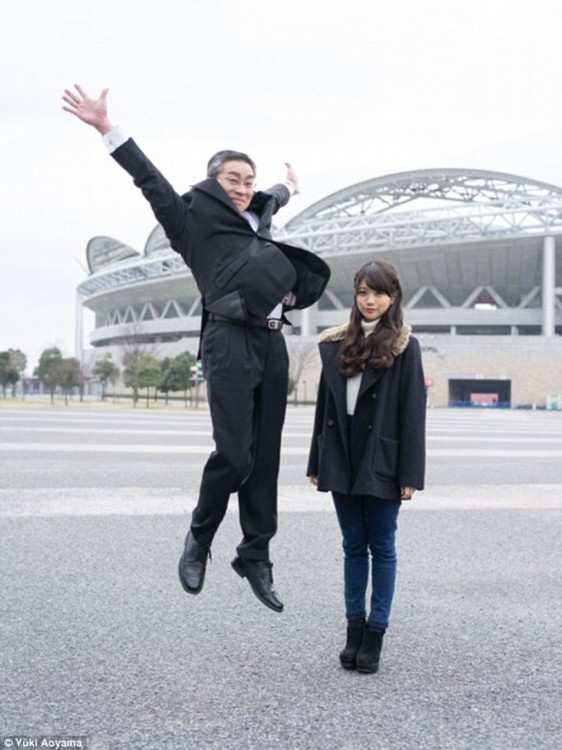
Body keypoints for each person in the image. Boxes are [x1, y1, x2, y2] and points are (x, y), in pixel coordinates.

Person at [62, 84, 330, 613]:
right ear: (213, 181)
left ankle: (255, 553)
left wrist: (288, 187)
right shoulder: (190, 221)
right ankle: (200, 537)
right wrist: (105, 126)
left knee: (266, 459)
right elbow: (150, 181)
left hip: (274, 345)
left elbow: (273, 193)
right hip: (229, 342)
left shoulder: (260, 210)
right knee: (234, 455)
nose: (242, 188)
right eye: (233, 179)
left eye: (248, 181)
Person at [307, 259, 425, 671]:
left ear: (392, 298)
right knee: (352, 546)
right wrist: (316, 460)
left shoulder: (404, 346)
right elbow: (324, 408)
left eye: (378, 293)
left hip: (384, 457)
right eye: (362, 292)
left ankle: (375, 634)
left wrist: (410, 473)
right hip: (341, 453)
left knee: (383, 547)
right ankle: (353, 630)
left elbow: (413, 412)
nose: (369, 300)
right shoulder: (337, 343)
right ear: (355, 296)